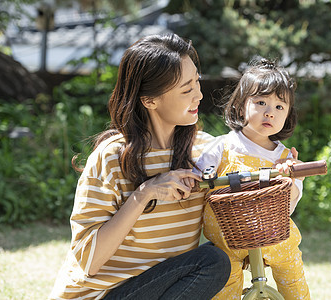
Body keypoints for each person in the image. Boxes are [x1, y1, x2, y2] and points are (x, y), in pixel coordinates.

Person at [49, 33, 230, 300]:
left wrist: (284, 170)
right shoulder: (111, 158)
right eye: (186, 89)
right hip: (99, 296)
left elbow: (250, 182)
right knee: (212, 261)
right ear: (149, 100)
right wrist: (143, 195)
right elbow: (88, 261)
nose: (199, 95)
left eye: (197, 82)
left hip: (162, 289)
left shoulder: (206, 152)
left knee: (215, 261)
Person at [196, 58, 310, 299]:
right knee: (224, 277)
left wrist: (290, 176)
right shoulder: (223, 146)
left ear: (288, 115)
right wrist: (201, 178)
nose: (270, 112)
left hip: (270, 233)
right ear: (240, 107)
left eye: (280, 107)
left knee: (290, 263)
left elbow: (288, 205)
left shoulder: (283, 156)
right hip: (227, 233)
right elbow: (199, 175)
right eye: (261, 102)